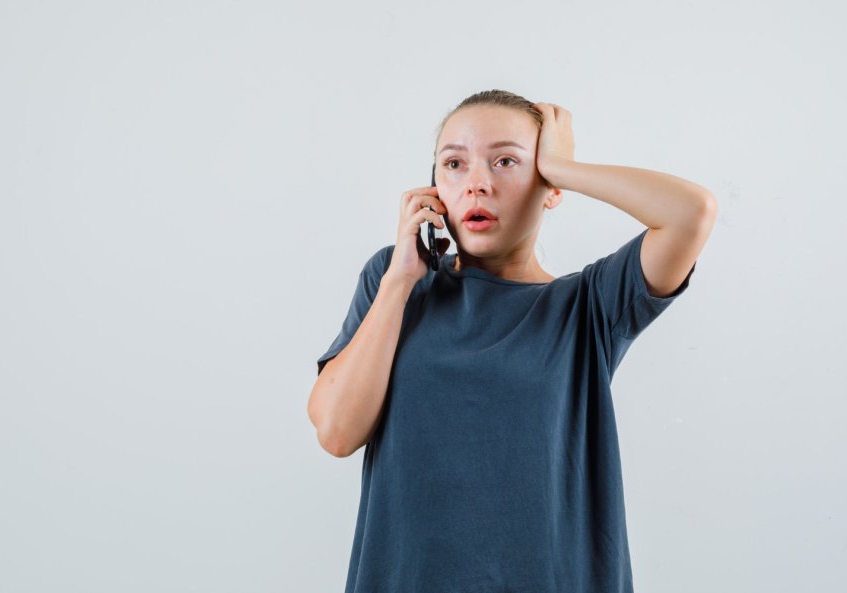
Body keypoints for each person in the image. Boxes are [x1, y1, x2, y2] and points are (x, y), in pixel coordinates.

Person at [307, 89, 716, 593]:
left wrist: (562, 167)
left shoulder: (589, 305)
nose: (477, 183)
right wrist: (399, 281)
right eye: (454, 164)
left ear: (550, 187)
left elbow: (692, 212)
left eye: (505, 162)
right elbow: (337, 432)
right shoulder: (394, 280)